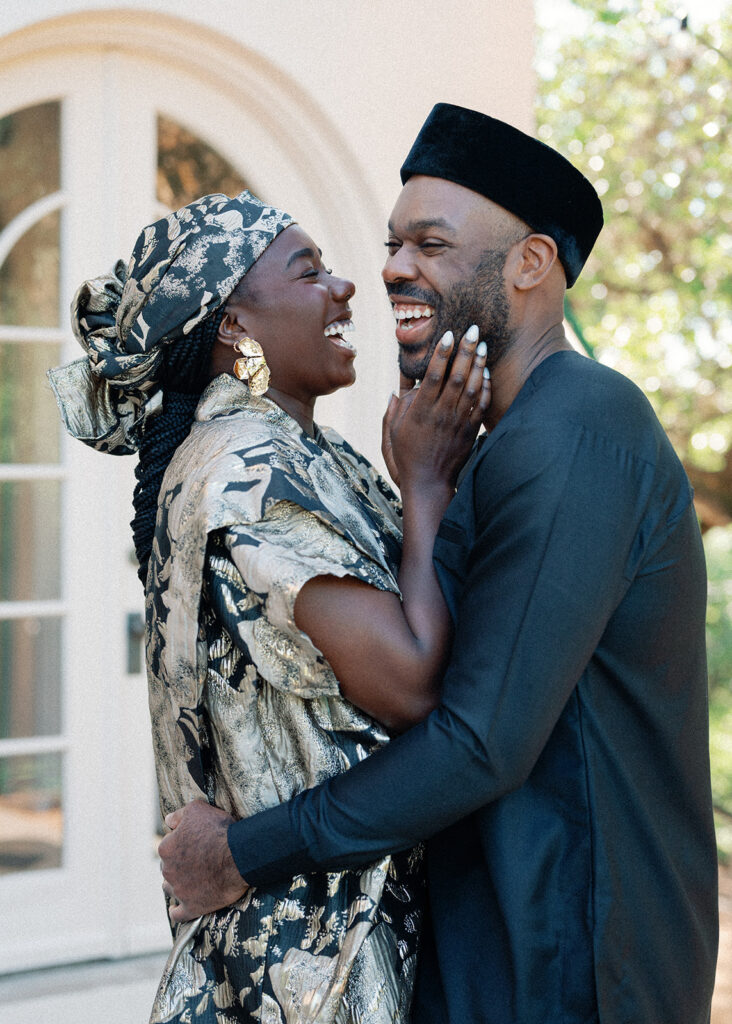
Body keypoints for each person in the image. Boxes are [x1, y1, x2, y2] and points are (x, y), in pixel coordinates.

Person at [159, 106, 719, 1023]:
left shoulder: (578, 427)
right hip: (499, 945)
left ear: (530, 264)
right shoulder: (499, 442)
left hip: (578, 961)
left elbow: (479, 739)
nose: (391, 269)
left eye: (431, 243)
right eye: (391, 243)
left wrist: (243, 852)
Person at [48, 189, 490, 1023]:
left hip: (318, 931)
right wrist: (427, 488)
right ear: (235, 326)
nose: (346, 288)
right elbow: (408, 683)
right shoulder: (248, 470)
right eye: (309, 271)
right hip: (315, 960)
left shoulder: (301, 452)